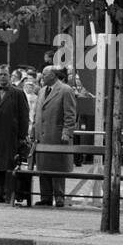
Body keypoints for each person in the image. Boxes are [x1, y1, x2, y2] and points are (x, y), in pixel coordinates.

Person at [32, 65, 76, 207]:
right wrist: (33, 130)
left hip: (56, 135)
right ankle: (45, 197)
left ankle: (59, 197)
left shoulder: (65, 90)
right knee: (43, 167)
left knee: (57, 168)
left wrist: (66, 133)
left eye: (45, 74)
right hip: (41, 135)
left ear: (53, 75)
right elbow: (37, 113)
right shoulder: (42, 91)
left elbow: (70, 115)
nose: (42, 77)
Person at [0, 64, 29, 202]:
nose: (3, 77)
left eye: (5, 74)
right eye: (0, 74)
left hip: (9, 136)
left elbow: (24, 115)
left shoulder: (17, 93)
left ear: (9, 76)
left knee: (8, 165)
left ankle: (7, 193)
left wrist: (22, 136)